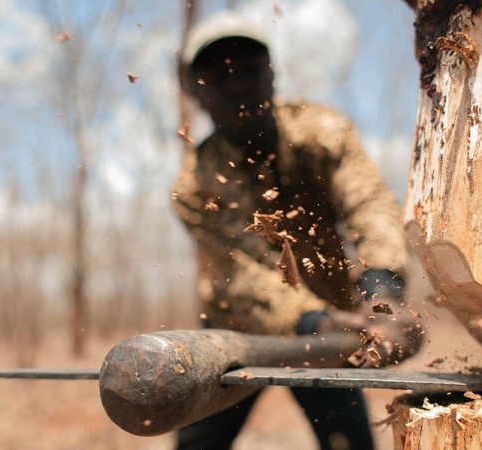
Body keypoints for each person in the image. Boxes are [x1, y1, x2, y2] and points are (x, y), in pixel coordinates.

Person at [172, 12, 424, 450]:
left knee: (347, 442)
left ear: (271, 75)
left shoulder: (321, 133)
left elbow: (369, 205)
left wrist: (382, 293)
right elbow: (240, 276)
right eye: (217, 77)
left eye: (248, 70)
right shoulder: (194, 187)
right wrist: (317, 320)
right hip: (239, 334)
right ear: (197, 92)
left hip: (331, 331)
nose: (236, 85)